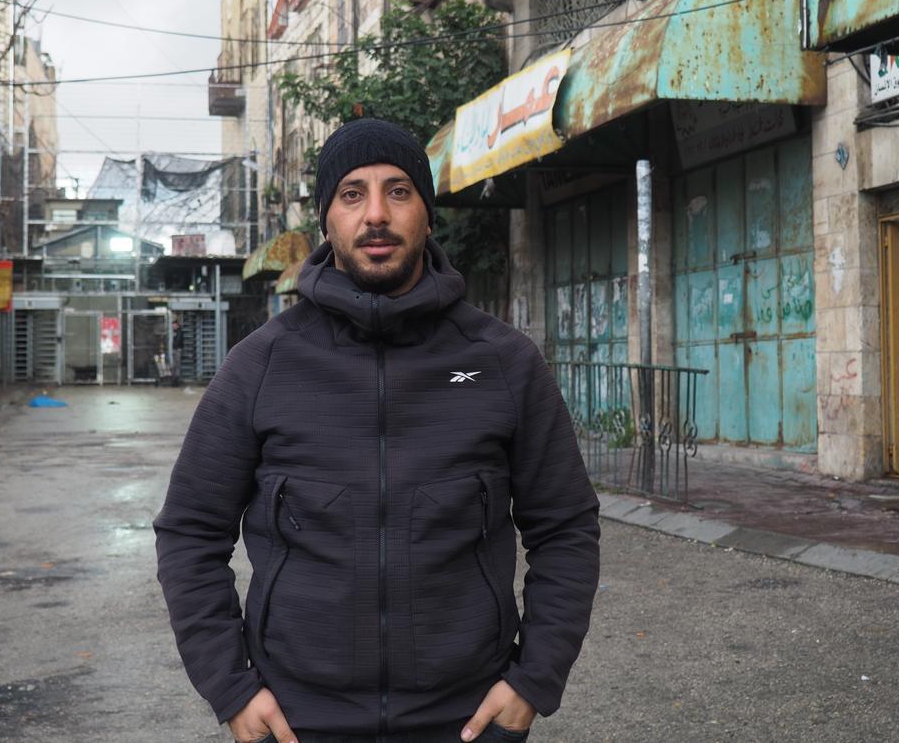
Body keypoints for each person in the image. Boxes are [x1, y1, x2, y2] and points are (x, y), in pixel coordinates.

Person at [154, 118, 600, 743]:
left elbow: (566, 527)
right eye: (352, 194)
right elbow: (189, 532)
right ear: (328, 219)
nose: (376, 216)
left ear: (426, 211)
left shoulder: (503, 362)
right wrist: (231, 687)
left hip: (468, 719)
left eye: (398, 191)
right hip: (298, 720)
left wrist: (533, 679)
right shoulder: (261, 365)